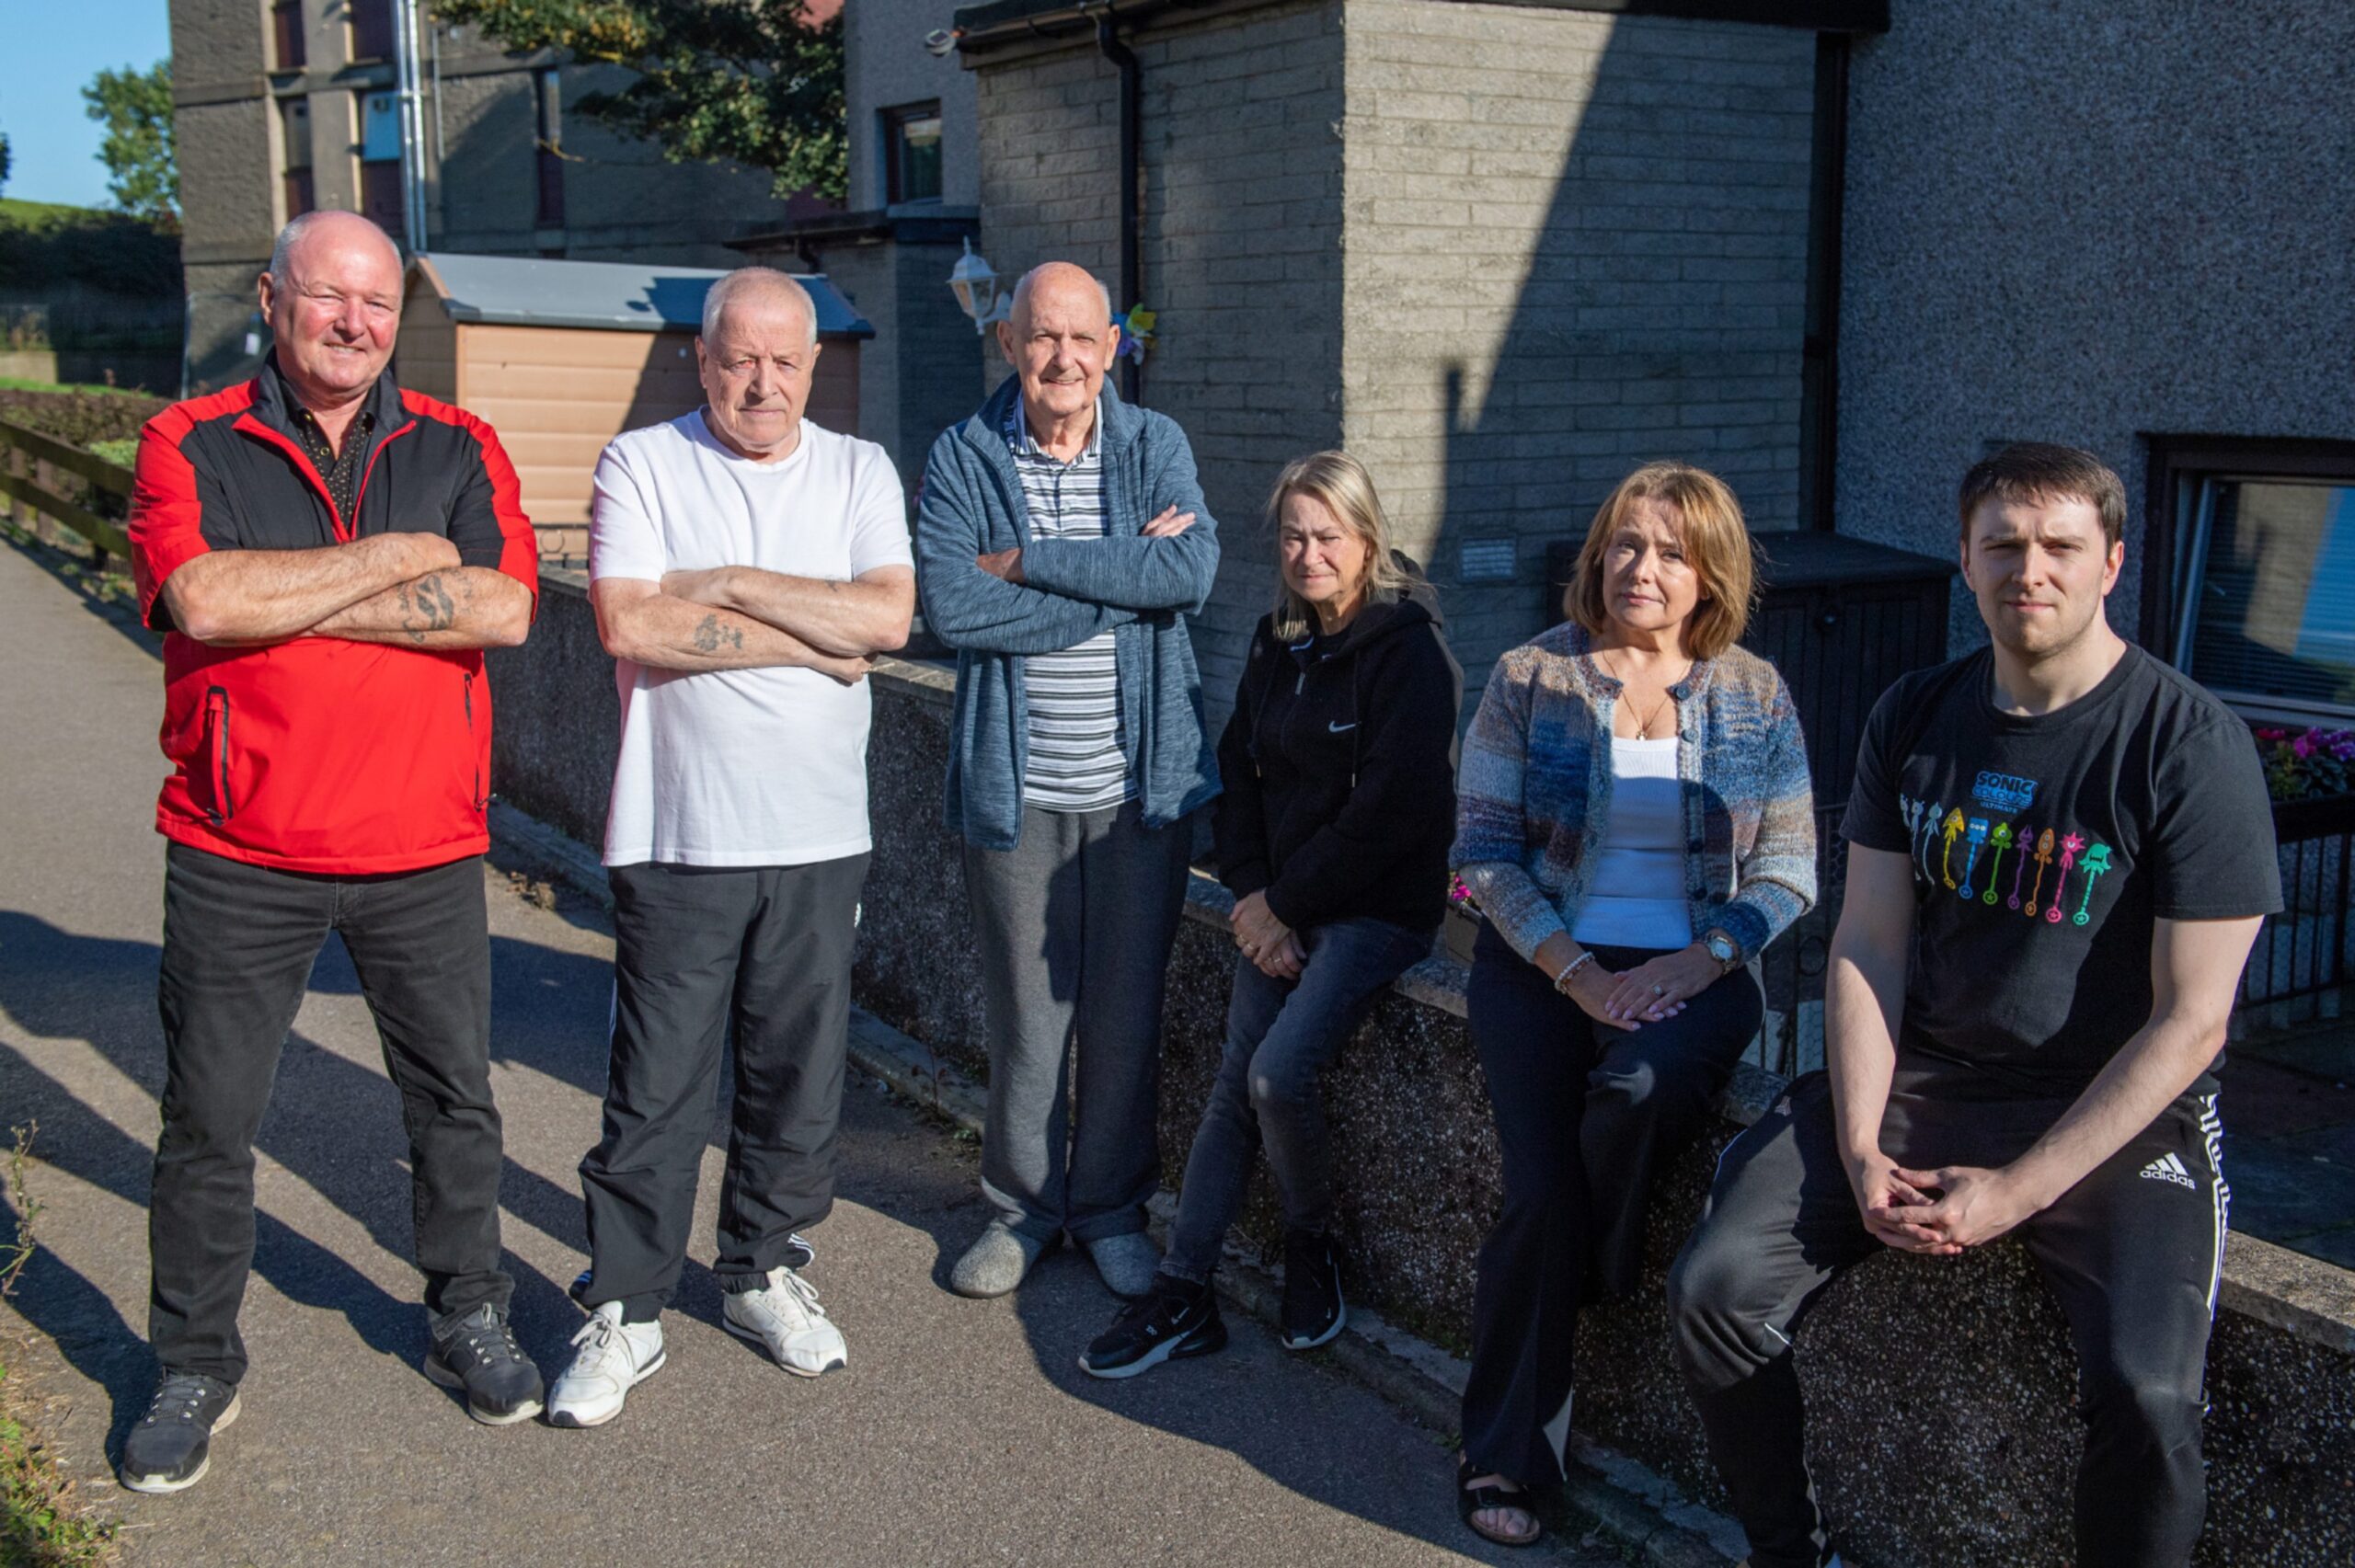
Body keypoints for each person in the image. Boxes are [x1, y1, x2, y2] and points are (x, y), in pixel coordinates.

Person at [1666, 444, 2280, 1568]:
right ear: (1963, 558)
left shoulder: (2188, 744)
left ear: (2112, 563)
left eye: (2058, 546)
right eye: (2002, 544)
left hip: (2113, 1112)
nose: (2027, 569)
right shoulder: (1915, 712)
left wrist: (2016, 1192)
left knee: (2148, 1398)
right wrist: (1855, 1146)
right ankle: (1786, 1550)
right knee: (1714, 1289)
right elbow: (1866, 941)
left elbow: (2192, 1020)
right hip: (1924, 1082)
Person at [119, 211, 542, 1492]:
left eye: (375, 302)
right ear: (273, 297)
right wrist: (398, 562)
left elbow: (505, 606)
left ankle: (468, 1309)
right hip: (240, 847)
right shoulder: (183, 439)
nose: (356, 323)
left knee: (454, 1101)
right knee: (210, 1118)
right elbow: (200, 600)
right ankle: (193, 1361)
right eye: (327, 298)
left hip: (422, 844)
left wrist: (294, 594)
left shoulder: (461, 442)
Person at [546, 268, 913, 1427]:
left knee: (796, 1075)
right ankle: (629, 1306)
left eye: (785, 361)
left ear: (812, 365)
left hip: (819, 834)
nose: (763, 383)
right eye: (739, 359)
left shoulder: (860, 469)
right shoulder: (642, 463)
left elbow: (889, 621)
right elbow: (630, 621)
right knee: (656, 1084)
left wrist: (738, 585)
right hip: (678, 831)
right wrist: (815, 634)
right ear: (701, 361)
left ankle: (761, 1268)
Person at [1450, 462, 1816, 1547]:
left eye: (1667, 550)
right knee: (1536, 1193)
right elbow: (1480, 857)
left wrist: (1703, 961)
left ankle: (1590, 1274)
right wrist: (1580, 972)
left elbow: (1792, 868)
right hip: (1540, 963)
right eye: (1623, 543)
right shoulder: (1529, 676)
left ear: (1710, 572)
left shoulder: (1754, 693)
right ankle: (1507, 1454)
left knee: (1640, 1088)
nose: (1640, 567)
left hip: (1694, 965)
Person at [1079, 451, 1462, 1378]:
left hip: (1374, 912)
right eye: (1292, 534)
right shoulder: (1274, 642)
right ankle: (1183, 1290)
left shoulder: (1407, 652)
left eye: (1327, 535)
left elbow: (1390, 813)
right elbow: (1239, 775)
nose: (1308, 551)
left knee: (1276, 1074)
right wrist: (1253, 896)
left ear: (1366, 540)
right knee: (1230, 1084)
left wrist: (1280, 905)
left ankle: (1311, 1244)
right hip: (1279, 907)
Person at [913, 261, 1221, 1301]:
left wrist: (1029, 560)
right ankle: (1022, 1210)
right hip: (1020, 787)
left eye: (1085, 340)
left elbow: (1188, 573)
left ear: (1111, 350)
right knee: (1027, 1018)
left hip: (1140, 792)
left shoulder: (1154, 445)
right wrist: (1115, 583)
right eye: (1043, 338)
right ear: (1008, 343)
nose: (1064, 360)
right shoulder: (962, 454)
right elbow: (954, 611)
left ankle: (1109, 1210)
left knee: (1126, 1013)